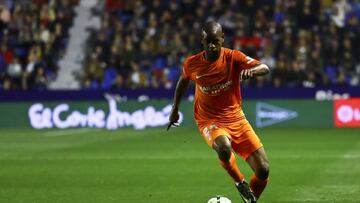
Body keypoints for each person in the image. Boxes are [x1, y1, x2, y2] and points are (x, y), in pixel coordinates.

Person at [167, 21, 270, 203]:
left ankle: (250, 200)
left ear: (222, 39)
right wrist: (174, 109)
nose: (212, 45)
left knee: (263, 169)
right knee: (223, 147)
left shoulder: (233, 57)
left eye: (216, 40)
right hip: (208, 119)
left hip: (236, 117)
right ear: (202, 41)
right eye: (208, 41)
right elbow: (183, 81)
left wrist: (252, 72)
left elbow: (265, 68)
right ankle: (240, 182)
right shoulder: (192, 64)